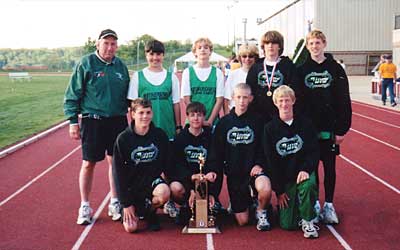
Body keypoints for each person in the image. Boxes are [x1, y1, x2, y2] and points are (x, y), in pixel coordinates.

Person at [64, 29, 130, 225]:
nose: (110, 47)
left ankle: (114, 201)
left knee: (115, 163)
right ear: (98, 45)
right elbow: (72, 94)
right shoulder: (86, 63)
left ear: (117, 46)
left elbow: (127, 96)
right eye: (106, 43)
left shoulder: (121, 66)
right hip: (93, 120)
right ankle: (85, 205)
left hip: (117, 120)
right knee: (88, 163)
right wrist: (73, 121)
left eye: (113, 44)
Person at [297, 29, 352, 224]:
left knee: (329, 167)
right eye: (311, 43)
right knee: (311, 167)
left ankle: (329, 204)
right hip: (309, 130)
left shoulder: (336, 69)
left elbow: (344, 100)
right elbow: (298, 102)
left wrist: (342, 129)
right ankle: (314, 204)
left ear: (324, 44)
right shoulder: (301, 69)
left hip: (330, 128)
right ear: (307, 46)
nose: (314, 47)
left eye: (317, 43)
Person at [208, 83, 273, 231]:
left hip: (254, 171)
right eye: (238, 97)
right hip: (236, 176)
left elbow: (265, 147)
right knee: (242, 221)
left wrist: (259, 164)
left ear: (250, 98)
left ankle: (261, 210)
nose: (242, 101)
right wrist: (212, 175)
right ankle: (250, 201)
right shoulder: (224, 123)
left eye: (245, 97)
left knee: (265, 188)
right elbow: (216, 152)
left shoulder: (259, 121)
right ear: (232, 98)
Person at [264, 85, 320, 238]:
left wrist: (306, 169)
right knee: (288, 225)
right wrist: (279, 191)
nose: (284, 104)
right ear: (275, 103)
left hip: (302, 174)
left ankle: (309, 220)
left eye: (287, 100)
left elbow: (314, 151)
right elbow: (271, 161)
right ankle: (302, 210)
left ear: (293, 101)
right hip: (286, 179)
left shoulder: (305, 124)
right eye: (281, 101)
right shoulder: (270, 129)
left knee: (308, 185)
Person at [112, 98, 171, 233]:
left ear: (152, 113)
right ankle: (135, 210)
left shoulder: (159, 135)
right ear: (132, 114)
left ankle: (150, 212)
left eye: (148, 112)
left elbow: (168, 163)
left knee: (164, 192)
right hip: (131, 187)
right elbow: (118, 173)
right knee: (131, 228)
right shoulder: (123, 139)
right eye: (141, 113)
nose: (145, 116)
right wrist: (126, 203)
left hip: (151, 184)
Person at [167, 102, 217, 225]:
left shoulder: (210, 137)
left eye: (199, 115)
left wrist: (211, 191)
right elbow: (177, 166)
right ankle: (185, 205)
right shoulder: (180, 139)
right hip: (186, 183)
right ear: (187, 117)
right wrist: (190, 186)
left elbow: (215, 162)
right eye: (192, 115)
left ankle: (207, 204)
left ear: (204, 117)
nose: (196, 118)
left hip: (204, 183)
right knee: (175, 187)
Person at [127, 39, 181, 140]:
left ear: (163, 55)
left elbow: (176, 104)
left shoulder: (172, 77)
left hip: (167, 129)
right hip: (144, 131)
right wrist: (134, 128)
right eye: (151, 54)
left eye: (158, 54)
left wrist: (178, 127)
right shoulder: (138, 76)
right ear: (146, 55)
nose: (155, 58)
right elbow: (133, 106)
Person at [246, 30, 299, 124]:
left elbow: (295, 91)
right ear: (263, 46)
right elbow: (250, 90)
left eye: (274, 43)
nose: (270, 46)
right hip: (259, 115)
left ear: (279, 46)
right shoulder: (256, 67)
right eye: (267, 43)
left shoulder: (288, 66)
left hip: (281, 115)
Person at [181, 37, 224, 127]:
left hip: (212, 121)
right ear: (195, 52)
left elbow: (219, 100)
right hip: (193, 122)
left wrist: (210, 121)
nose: (203, 50)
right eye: (199, 48)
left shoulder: (217, 72)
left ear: (210, 51)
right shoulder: (188, 72)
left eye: (206, 47)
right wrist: (196, 119)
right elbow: (186, 99)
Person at [224, 44, 259, 114]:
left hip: (254, 114)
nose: (247, 59)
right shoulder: (233, 74)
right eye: (244, 56)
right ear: (240, 58)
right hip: (235, 113)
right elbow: (227, 99)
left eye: (251, 56)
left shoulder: (259, 75)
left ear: (255, 58)